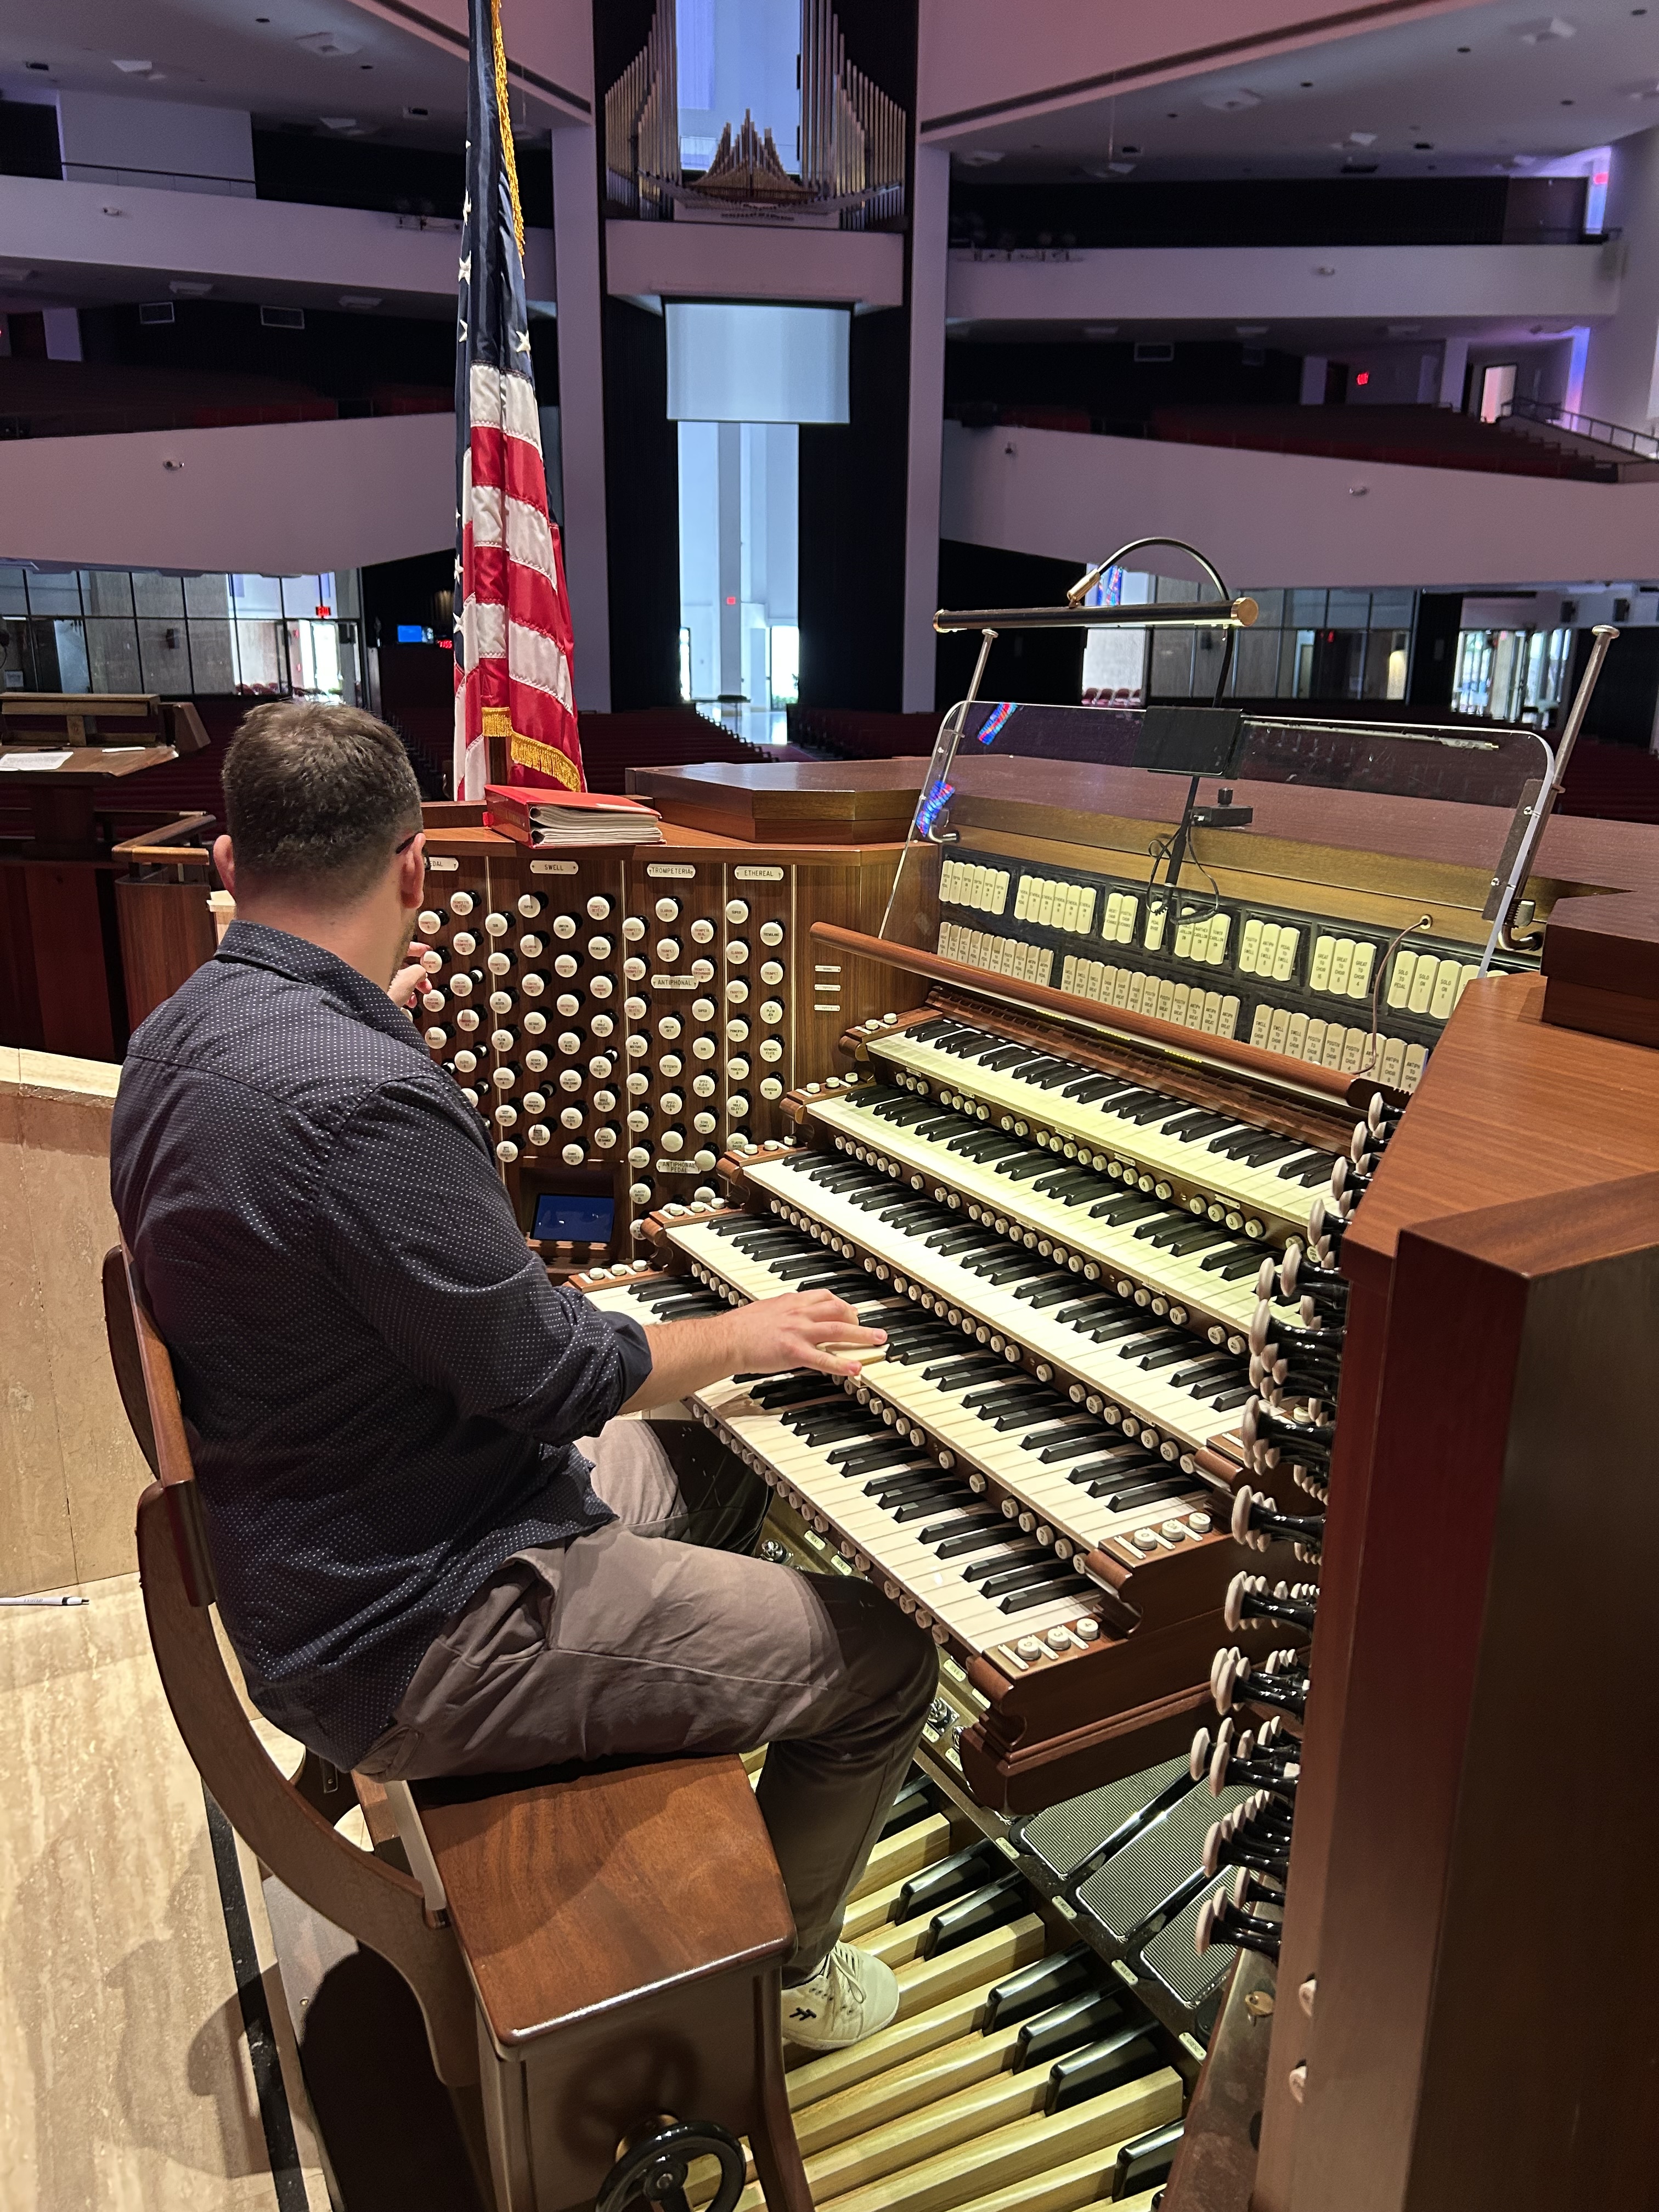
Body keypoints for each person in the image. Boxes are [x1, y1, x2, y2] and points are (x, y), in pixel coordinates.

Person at [110, 701, 936, 2053]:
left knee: (725, 1449)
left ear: (227, 865)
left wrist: (372, 1039)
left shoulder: (176, 1038)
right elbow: (548, 1377)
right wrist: (738, 1330)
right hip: (416, 1624)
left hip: (334, 1541)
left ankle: (669, 1726)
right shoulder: (359, 1099)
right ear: (414, 868)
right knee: (888, 1655)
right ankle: (782, 1981)